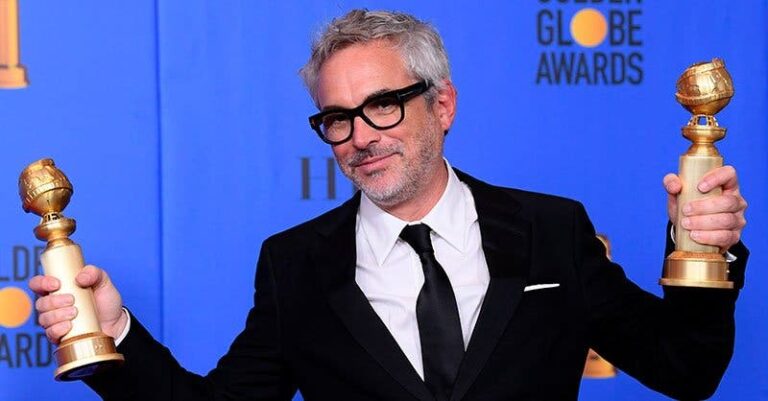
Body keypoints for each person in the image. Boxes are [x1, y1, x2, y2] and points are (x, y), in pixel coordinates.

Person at [30, 9, 748, 401]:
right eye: (337, 117)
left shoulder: (551, 229)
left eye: (383, 105)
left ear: (444, 105)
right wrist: (115, 333)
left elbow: (687, 369)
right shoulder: (294, 264)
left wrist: (706, 254)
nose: (360, 137)